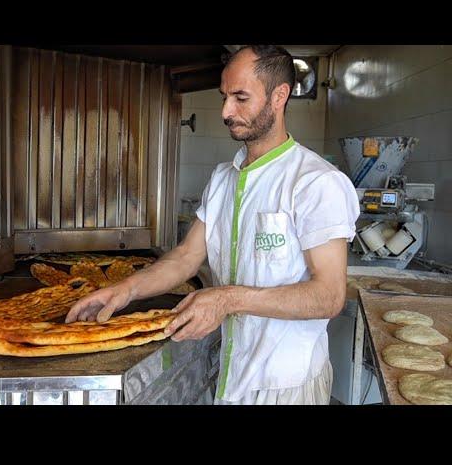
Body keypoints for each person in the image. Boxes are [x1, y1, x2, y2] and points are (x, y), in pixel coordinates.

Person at [66, 45, 360, 405]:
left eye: (240, 98)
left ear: (279, 95)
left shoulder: (316, 182)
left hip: (286, 386)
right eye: (224, 97)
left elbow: (329, 296)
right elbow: (186, 256)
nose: (225, 111)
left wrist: (227, 298)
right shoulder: (224, 178)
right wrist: (125, 290)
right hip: (230, 377)